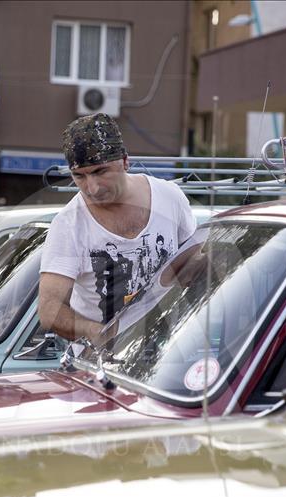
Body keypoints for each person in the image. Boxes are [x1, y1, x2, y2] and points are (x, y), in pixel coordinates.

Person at [39, 113, 196, 342]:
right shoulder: (68, 225)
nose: (92, 188)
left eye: (100, 171)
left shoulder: (170, 197)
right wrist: (100, 334)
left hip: (170, 354)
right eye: (79, 176)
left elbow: (193, 265)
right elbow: (49, 310)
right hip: (102, 360)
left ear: (124, 161)